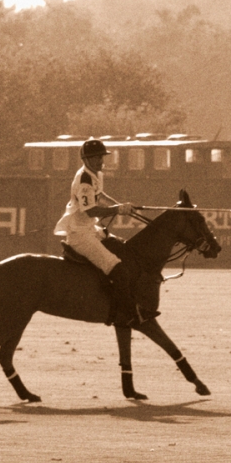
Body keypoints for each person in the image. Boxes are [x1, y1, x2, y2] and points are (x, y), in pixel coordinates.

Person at [53, 138, 150, 327]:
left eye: (101, 157)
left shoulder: (96, 174)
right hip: (80, 235)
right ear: (86, 159)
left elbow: (100, 196)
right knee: (118, 268)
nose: (100, 160)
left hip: (90, 229)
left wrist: (119, 205)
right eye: (96, 157)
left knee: (122, 248)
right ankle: (129, 313)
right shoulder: (84, 179)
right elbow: (90, 210)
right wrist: (117, 210)